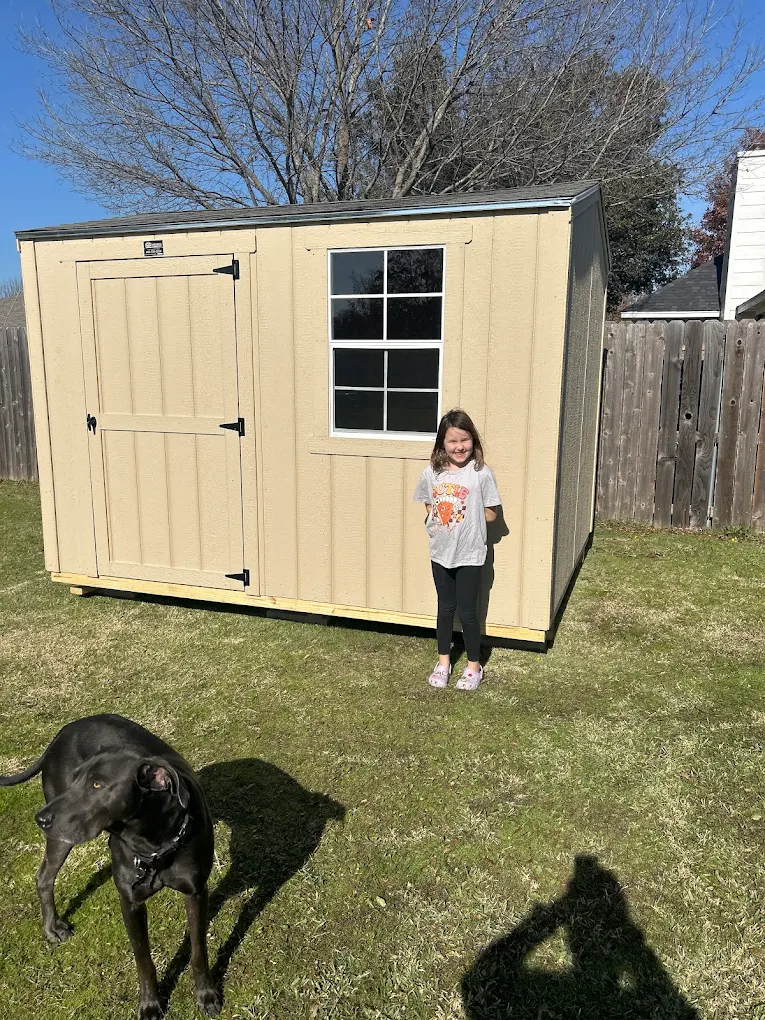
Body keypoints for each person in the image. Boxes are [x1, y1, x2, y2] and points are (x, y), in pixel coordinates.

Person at [413, 409, 501, 691]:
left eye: (465, 440)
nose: (459, 447)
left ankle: (474, 666)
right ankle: (443, 662)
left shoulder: (481, 474)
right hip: (440, 552)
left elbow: (491, 514)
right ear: (442, 444)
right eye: (452, 441)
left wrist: (468, 516)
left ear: (473, 441)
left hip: (471, 554)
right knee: (445, 608)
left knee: (468, 611)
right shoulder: (431, 473)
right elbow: (429, 505)